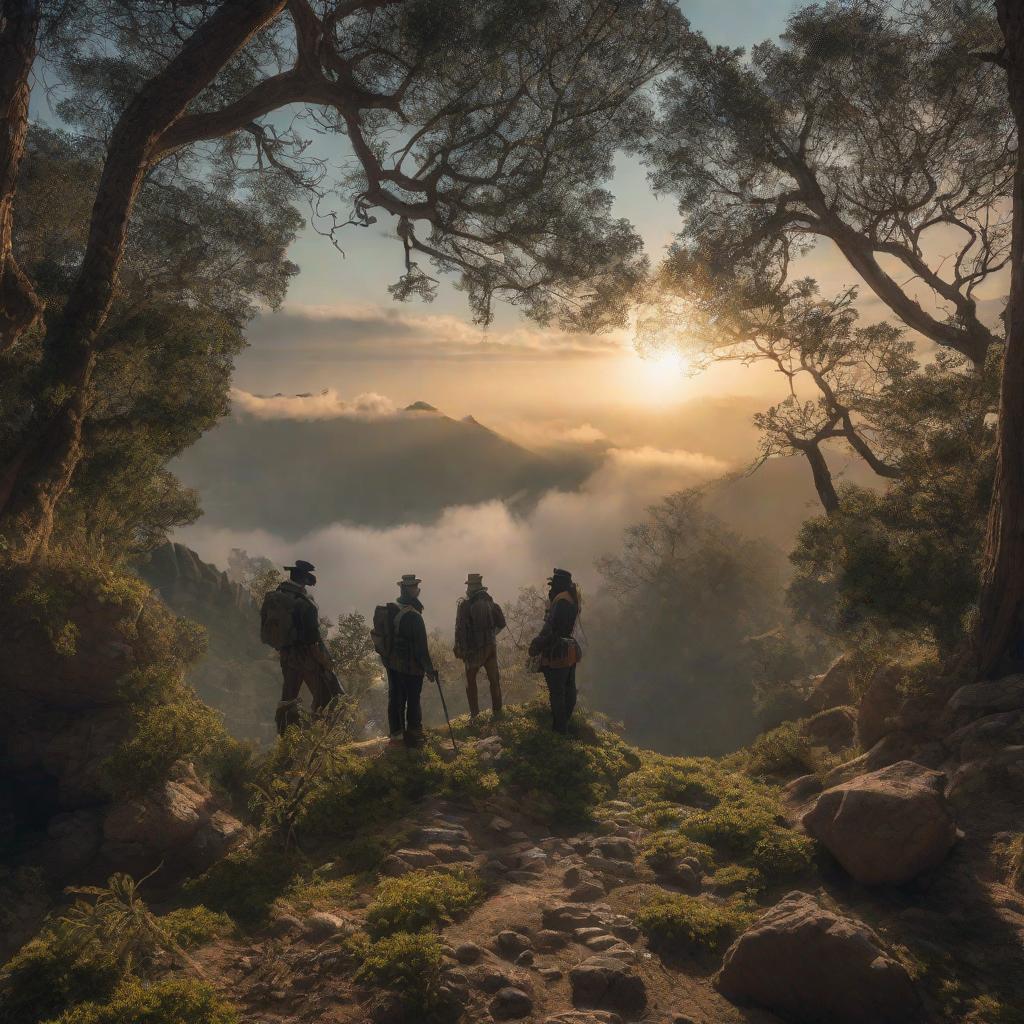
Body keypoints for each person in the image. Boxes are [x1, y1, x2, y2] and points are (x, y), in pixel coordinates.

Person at [260, 559, 344, 734]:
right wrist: (325, 661)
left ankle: (285, 736)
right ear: (304, 580)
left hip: (286, 655)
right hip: (307, 658)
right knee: (324, 699)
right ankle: (320, 736)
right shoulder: (306, 604)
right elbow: (313, 640)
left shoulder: (277, 595)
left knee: (288, 697)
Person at [384, 573, 438, 747]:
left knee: (396, 698)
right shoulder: (413, 616)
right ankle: (414, 733)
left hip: (392, 664)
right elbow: (421, 648)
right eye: (414, 587)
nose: (417, 589)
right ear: (408, 590)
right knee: (413, 699)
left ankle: (396, 734)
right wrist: (429, 670)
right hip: (411, 667)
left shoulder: (393, 608)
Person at [529, 567, 582, 735]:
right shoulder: (571, 599)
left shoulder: (561, 601)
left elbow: (555, 630)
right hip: (569, 650)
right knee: (568, 688)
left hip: (558, 651)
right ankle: (564, 724)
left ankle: (560, 730)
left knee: (557, 693)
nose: (550, 589)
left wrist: (538, 643)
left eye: (553, 585)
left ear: (559, 584)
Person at [453, 573, 506, 718]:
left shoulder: (464, 605)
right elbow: (502, 623)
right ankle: (498, 712)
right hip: (491, 648)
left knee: (470, 682)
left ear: (470, 587)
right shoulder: (490, 602)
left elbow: (460, 628)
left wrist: (460, 648)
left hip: (473, 650)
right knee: (494, 680)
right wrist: (491, 636)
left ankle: (475, 715)